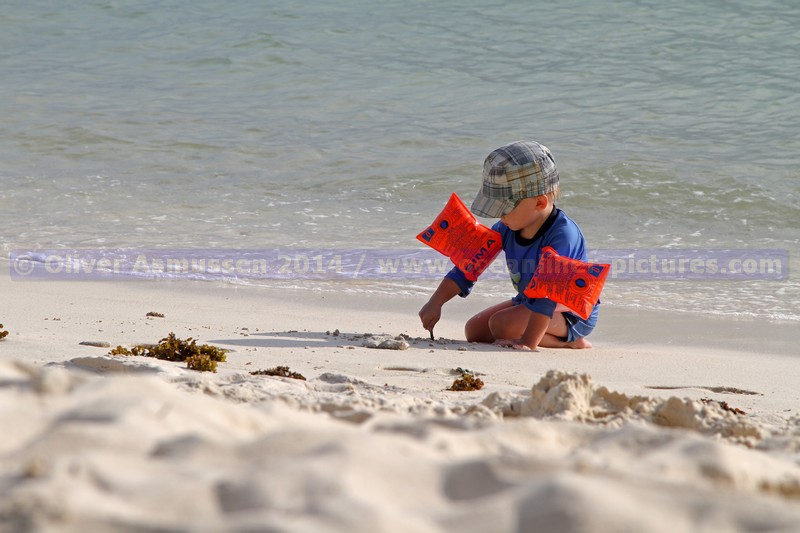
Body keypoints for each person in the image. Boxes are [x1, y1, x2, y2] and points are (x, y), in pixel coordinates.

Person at [418, 140, 597, 350]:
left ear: (540, 202)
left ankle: (571, 342)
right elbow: (469, 265)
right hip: (528, 302)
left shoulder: (563, 236)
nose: (498, 216)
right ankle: (534, 334)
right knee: (474, 331)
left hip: (568, 313)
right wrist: (435, 302)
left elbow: (548, 297)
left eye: (504, 209)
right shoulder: (507, 227)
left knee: (501, 325)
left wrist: (527, 343)